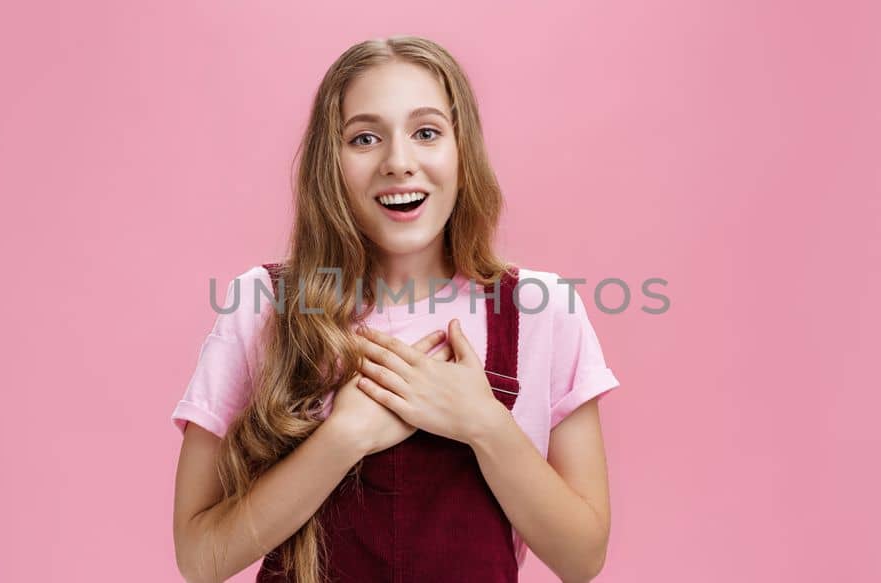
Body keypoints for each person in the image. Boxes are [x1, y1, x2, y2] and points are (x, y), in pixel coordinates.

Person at [171, 35, 620, 583]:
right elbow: (200, 559)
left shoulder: (543, 312)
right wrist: (341, 439)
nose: (398, 162)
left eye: (426, 132)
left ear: (462, 151)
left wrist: (484, 425)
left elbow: (582, 559)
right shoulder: (262, 306)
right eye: (365, 138)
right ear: (329, 162)